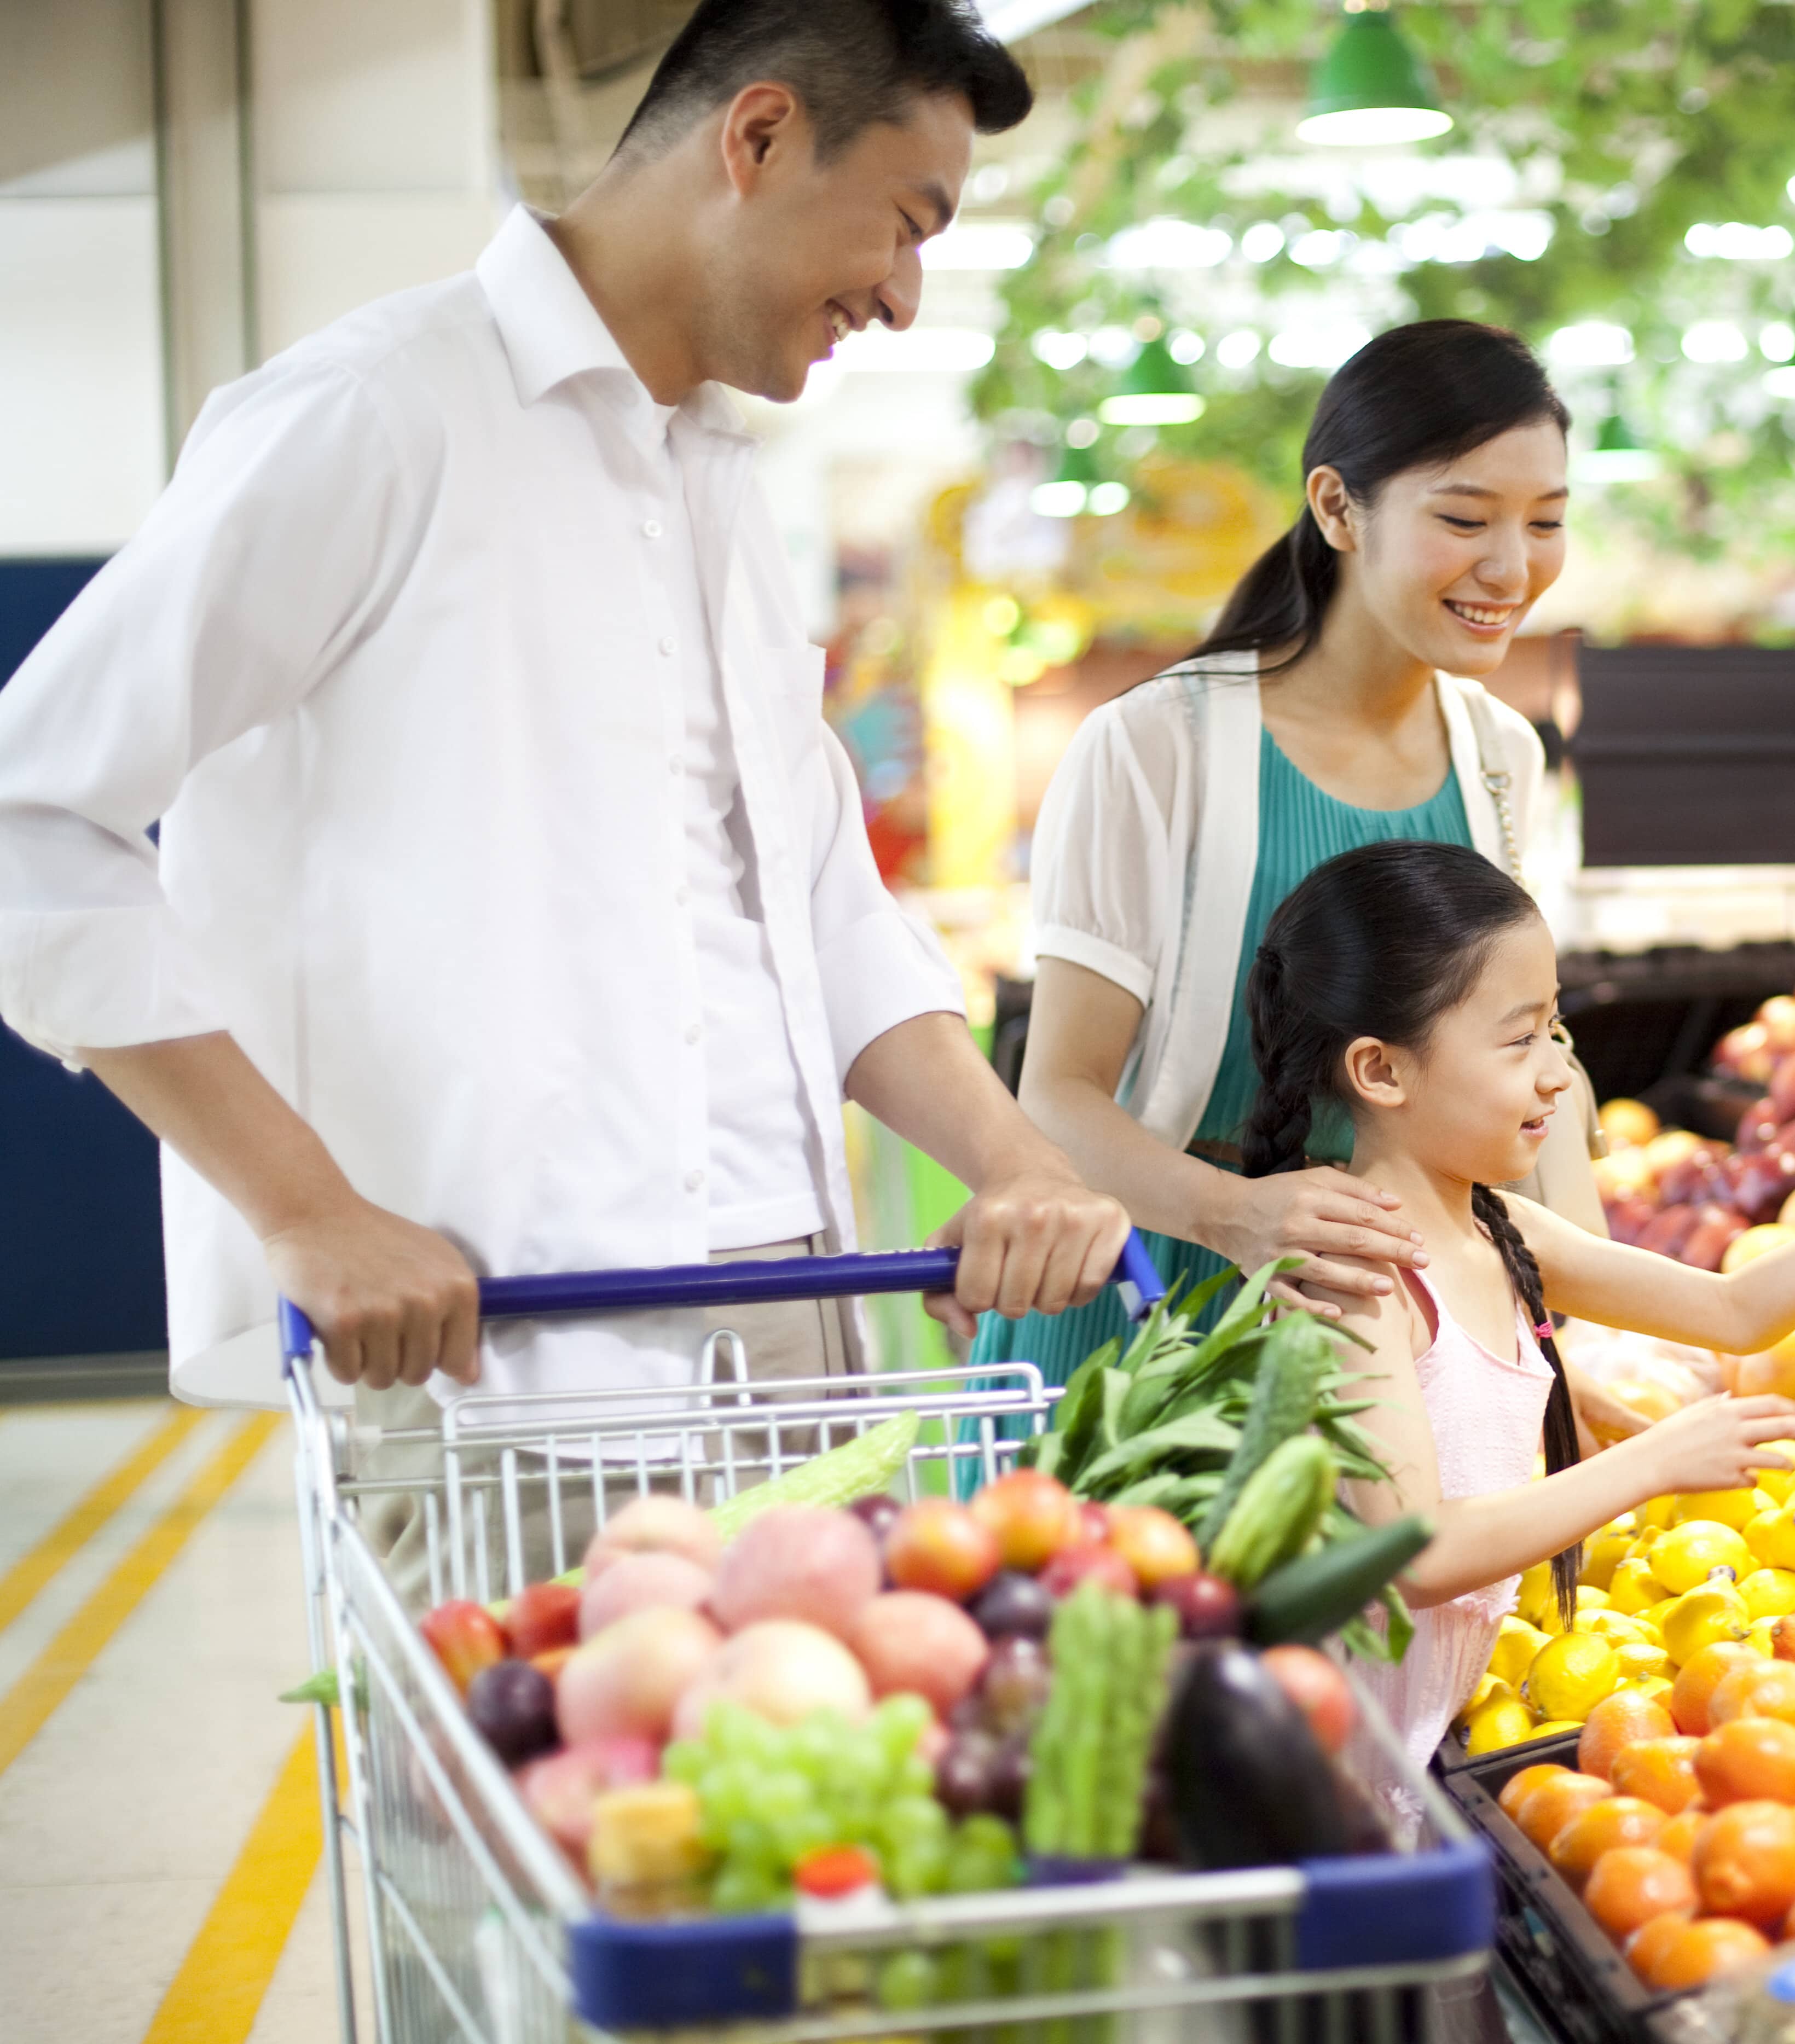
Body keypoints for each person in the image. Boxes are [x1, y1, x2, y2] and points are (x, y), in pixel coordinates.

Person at [0, 1, 1126, 1454]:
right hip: (502, 1350)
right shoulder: (376, 413)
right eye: (907, 224)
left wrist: (1017, 1164)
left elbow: (826, 907)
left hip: (804, 1319)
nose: (906, 295)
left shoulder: (719, 481)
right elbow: (30, 817)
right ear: (762, 135)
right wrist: (309, 1209)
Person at [1240, 840, 1795, 1780]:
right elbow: (1419, 1553)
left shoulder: (1499, 1228)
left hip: (1439, 1734)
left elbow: (1736, 1312)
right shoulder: (1356, 1276)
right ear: (1381, 1071)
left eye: (1557, 1031)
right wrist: (1657, 1462)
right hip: (1349, 1756)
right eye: (1519, 1038)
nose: (1558, 1075)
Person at [991, 320, 1619, 1410]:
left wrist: (1578, 1351)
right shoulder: (1155, 750)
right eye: (1465, 518)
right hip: (1151, 1328)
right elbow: (1056, 1098)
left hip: (1385, 1350)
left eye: (1547, 521)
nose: (1512, 567)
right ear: (1338, 508)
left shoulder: (1502, 760)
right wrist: (1236, 1217)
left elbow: (1532, 1079)